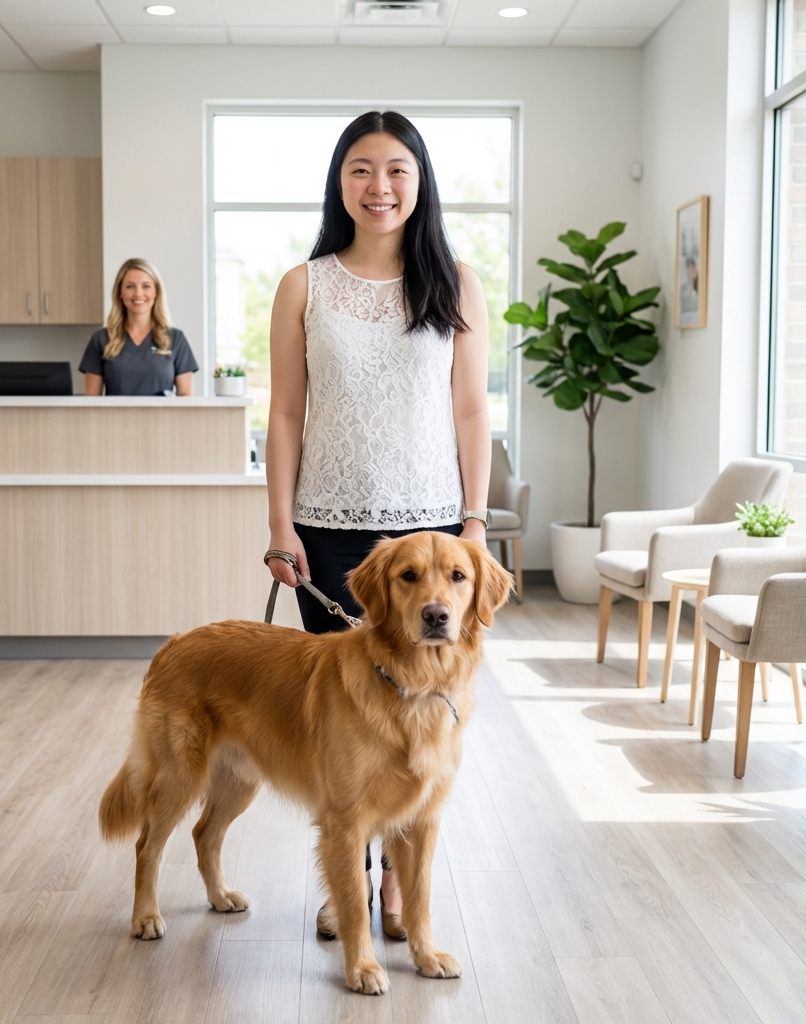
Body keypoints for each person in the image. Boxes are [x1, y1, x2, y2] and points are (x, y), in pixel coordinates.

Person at [264, 111, 491, 941]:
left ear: (420, 181)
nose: (380, 186)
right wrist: (281, 522)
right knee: (347, 728)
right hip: (329, 530)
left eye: (397, 169)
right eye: (361, 169)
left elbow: (471, 410)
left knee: (422, 720)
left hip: (432, 532)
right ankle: (351, 888)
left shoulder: (455, 282)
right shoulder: (304, 284)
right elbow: (286, 413)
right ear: (339, 181)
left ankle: (401, 893)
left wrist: (472, 521)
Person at [81, 257, 198, 396]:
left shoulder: (176, 339)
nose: (138, 293)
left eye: (146, 286)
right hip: (115, 418)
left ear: (156, 292)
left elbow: (185, 398)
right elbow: (91, 402)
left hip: (161, 418)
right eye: (130, 286)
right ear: (120, 292)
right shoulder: (101, 339)